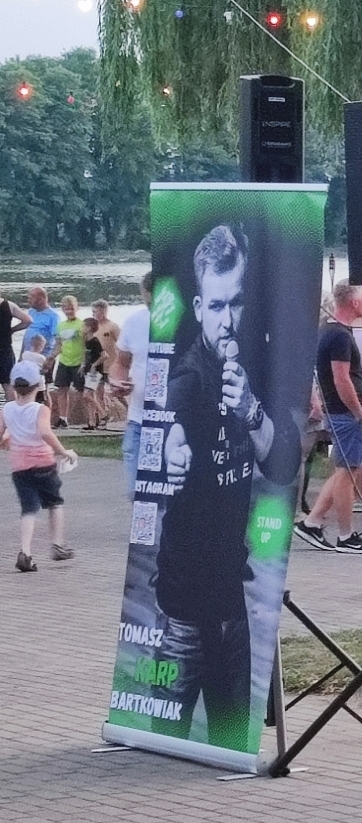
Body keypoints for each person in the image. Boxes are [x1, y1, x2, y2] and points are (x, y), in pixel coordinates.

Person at [153, 225, 298, 749]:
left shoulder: (252, 369)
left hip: (232, 605)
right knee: (164, 744)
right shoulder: (190, 376)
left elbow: (283, 467)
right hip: (183, 614)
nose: (227, 320)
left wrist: (251, 410)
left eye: (235, 303)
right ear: (198, 307)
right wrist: (170, 448)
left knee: (232, 740)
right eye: (216, 306)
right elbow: (167, 417)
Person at [294, 281, 362, 554]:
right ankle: (345, 534)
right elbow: (341, 379)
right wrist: (359, 413)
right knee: (348, 472)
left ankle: (312, 521)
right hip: (344, 412)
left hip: (337, 410)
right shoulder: (340, 335)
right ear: (353, 302)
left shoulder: (329, 330)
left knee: (346, 469)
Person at [3, 360, 77, 572]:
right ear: (38, 386)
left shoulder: (6, 409)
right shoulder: (41, 409)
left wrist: (8, 438)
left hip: (20, 468)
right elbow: (45, 433)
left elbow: (2, 435)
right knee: (55, 503)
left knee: (28, 510)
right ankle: (57, 545)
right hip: (44, 465)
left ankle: (25, 552)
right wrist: (63, 451)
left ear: (13, 386)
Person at [111, 273, 153, 497]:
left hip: (177, 422)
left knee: (172, 499)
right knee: (136, 492)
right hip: (139, 420)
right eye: (148, 298)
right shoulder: (135, 322)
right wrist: (117, 381)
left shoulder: (190, 322)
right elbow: (121, 363)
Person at [49, 295, 86, 427]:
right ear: (62, 309)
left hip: (78, 362)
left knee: (81, 391)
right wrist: (51, 357)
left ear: (77, 308)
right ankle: (63, 418)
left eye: (72, 308)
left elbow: (86, 345)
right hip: (64, 361)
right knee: (61, 389)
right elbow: (58, 344)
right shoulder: (60, 326)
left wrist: (84, 362)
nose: (69, 311)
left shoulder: (82, 325)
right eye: (66, 309)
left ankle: (90, 417)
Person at [0, 291, 32, 399]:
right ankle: (12, 408)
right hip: (5, 349)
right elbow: (28, 320)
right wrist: (12, 330)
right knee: (8, 384)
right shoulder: (8, 305)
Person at [22, 286, 59, 364]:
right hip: (28, 356)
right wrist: (21, 355)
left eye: (31, 298)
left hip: (43, 358)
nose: (28, 301)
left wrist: (50, 358)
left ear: (41, 299)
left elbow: (57, 340)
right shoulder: (31, 311)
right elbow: (27, 334)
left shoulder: (53, 316)